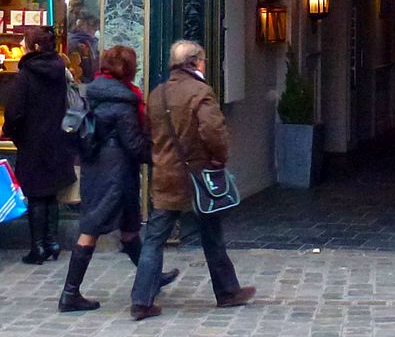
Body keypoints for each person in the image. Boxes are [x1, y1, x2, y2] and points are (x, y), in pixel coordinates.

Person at [129, 40, 254, 320]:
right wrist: (219, 158)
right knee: (212, 234)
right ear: (196, 61)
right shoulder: (200, 91)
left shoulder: (158, 94)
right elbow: (213, 130)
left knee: (154, 239)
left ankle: (141, 301)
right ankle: (227, 292)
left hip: (165, 174)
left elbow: (148, 132)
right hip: (197, 175)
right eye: (204, 61)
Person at [58, 45, 180, 312]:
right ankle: (70, 293)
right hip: (116, 172)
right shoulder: (124, 101)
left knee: (128, 227)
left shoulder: (94, 92)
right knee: (91, 230)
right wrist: (161, 155)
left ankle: (151, 276)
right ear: (129, 69)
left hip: (96, 167)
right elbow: (134, 144)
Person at [3, 28, 75, 265]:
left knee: (36, 195)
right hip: (57, 139)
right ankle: (52, 242)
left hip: (33, 141)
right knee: (51, 193)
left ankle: (38, 247)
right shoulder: (59, 70)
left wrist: (11, 132)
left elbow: (14, 112)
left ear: (34, 47)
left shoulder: (26, 74)